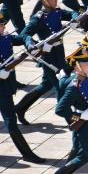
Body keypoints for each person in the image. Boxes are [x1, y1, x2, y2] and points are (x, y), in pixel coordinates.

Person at [16, 0, 78, 125]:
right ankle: (73, 120)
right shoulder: (38, 18)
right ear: (44, 1)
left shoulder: (57, 11)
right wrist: (31, 44)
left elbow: (72, 13)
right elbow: (25, 34)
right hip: (48, 57)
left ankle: (20, 108)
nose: (56, 0)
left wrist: (75, 18)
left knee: (46, 85)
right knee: (60, 86)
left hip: (59, 52)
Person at [0, 13, 45, 163]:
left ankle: (27, 154)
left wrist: (30, 43)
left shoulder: (5, 38)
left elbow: (22, 38)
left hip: (4, 90)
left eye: (3, 24)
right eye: (0, 25)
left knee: (11, 122)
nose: (3, 27)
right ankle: (27, 153)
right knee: (11, 123)